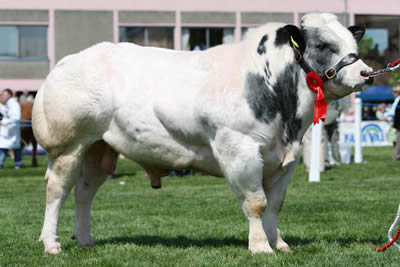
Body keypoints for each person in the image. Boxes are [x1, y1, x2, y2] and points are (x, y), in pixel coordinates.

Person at [0, 88, 22, 169]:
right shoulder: (6, 104)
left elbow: (16, 118)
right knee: (3, 147)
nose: (1, 96)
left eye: (3, 94)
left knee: (12, 147)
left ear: (9, 95)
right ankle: (2, 163)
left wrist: (3, 122)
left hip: (12, 130)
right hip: (7, 131)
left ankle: (18, 164)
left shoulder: (14, 104)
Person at [323, 101, 343, 167]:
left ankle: (325, 161)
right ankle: (337, 161)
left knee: (324, 141)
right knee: (334, 141)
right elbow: (340, 106)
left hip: (322, 116)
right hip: (333, 116)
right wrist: (337, 113)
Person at [390, 86, 400, 160]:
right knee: (396, 140)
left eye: (395, 92)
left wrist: (386, 113)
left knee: (398, 140)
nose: (394, 93)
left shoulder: (398, 100)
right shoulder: (397, 100)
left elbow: (393, 112)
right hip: (397, 123)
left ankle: (396, 156)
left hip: (398, 123)